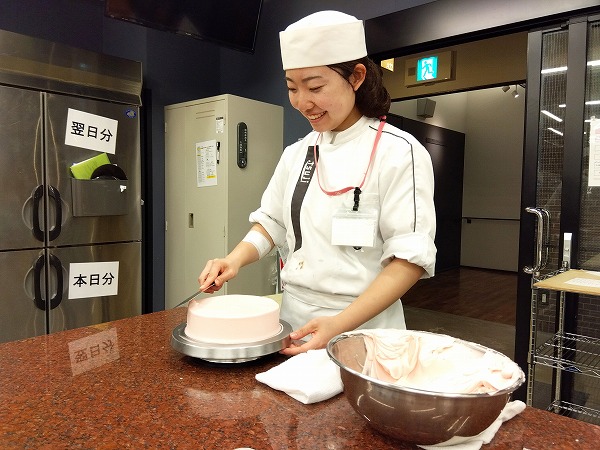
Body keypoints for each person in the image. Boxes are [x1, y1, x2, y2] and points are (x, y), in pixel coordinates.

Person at [198, 10, 436, 356]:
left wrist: (339, 324)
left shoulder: (399, 152)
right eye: (292, 88)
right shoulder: (297, 153)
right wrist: (233, 260)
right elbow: (271, 223)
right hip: (294, 320)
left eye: (315, 87)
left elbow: (409, 260)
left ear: (356, 77)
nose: (302, 102)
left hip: (365, 328)